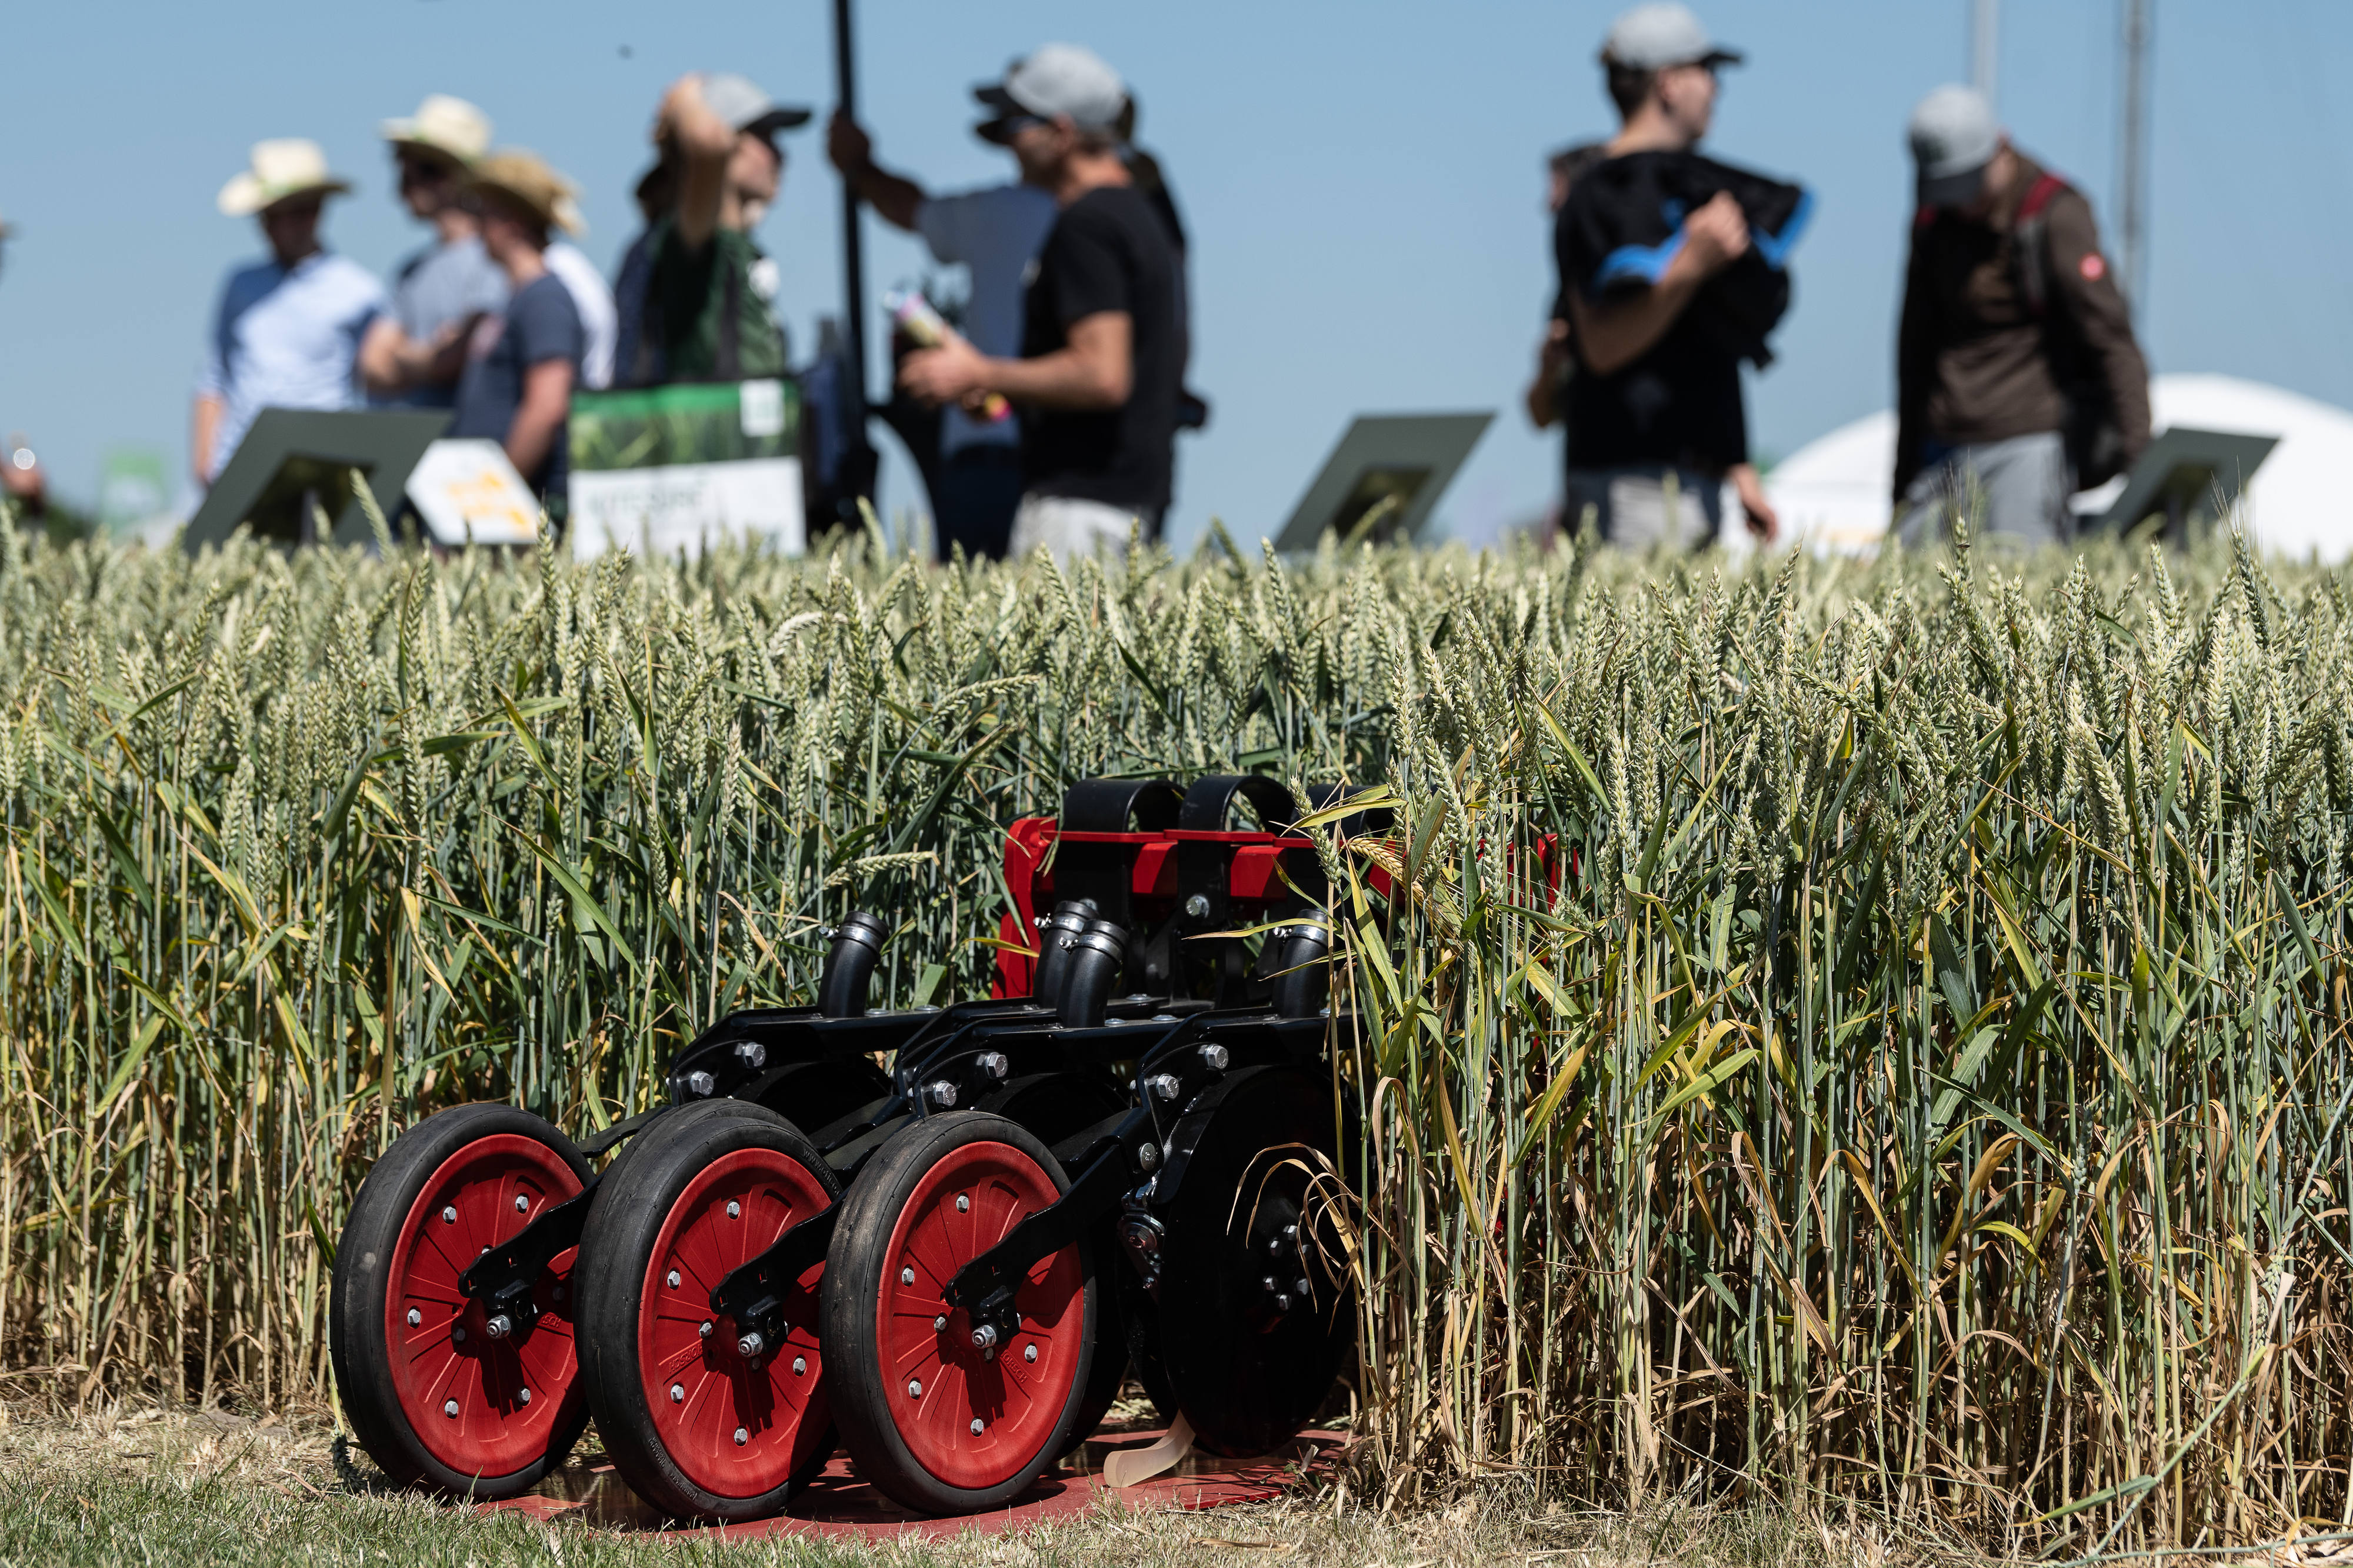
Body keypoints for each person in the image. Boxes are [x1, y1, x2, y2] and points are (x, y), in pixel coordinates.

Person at [897, 45, 1182, 564]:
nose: (1008, 140)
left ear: (1062, 132)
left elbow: (1102, 374)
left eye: (1018, 123)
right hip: (1128, 497)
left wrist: (976, 370)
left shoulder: (1087, 227)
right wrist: (1002, 388)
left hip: (1080, 507)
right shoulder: (1139, 218)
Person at [1549, 4, 1807, 551]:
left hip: (1701, 483)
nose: (1716, 89)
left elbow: (1710, 343)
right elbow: (1602, 346)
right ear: (1669, 84)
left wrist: (1741, 471)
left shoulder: (1693, 192)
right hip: (1629, 488)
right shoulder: (1598, 196)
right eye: (1706, 72)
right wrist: (1692, 264)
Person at [1894, 85, 2151, 549]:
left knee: (2023, 594)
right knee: (1905, 597)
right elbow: (1913, 347)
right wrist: (1901, 476)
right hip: (1942, 447)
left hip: (2028, 442)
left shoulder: (2054, 214)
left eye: (1967, 186)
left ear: (2001, 147)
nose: (1959, 203)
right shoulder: (1933, 222)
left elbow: (2111, 338)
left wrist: (2139, 465)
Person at [828, 82, 1059, 561]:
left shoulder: (1006, 212)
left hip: (990, 449)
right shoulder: (1120, 218)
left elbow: (911, 210)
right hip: (1073, 462)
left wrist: (858, 166)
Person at [194, 141, 386, 485]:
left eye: (278, 214)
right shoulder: (240, 284)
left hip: (321, 466)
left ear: (312, 212)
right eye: (264, 216)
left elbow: (377, 385)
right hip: (237, 468)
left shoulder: (360, 292)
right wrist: (204, 463)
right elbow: (214, 376)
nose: (267, 227)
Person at [622, 74, 807, 386]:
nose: (781, 156)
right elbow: (706, 141)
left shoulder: (739, 247)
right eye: (765, 138)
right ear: (729, 141)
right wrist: (686, 94)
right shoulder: (694, 235)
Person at [449, 151, 585, 521]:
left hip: (525, 509)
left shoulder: (544, 300)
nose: (476, 227)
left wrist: (490, 501)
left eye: (485, 214)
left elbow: (547, 405)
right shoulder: (518, 299)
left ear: (513, 222)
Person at [358, 96, 506, 407]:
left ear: (454, 179)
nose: (404, 185)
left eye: (421, 171)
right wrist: (429, 355)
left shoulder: (493, 258)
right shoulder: (411, 270)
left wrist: (405, 355)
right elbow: (371, 364)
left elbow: (460, 358)